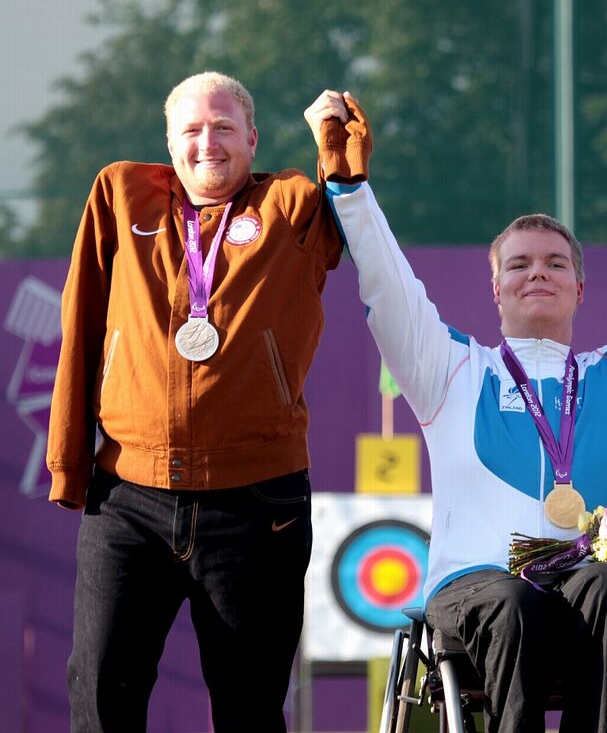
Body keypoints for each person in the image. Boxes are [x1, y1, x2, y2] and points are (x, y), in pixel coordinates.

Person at [303, 84, 607, 733]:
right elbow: (390, 287)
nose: (538, 273)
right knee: (512, 602)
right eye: (520, 264)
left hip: (586, 592)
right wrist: (350, 189)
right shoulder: (449, 369)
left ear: (580, 289)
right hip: (478, 595)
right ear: (494, 288)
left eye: (557, 264)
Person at [46, 71, 371, 732]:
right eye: (191, 130)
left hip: (258, 506)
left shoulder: (288, 205)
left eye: (224, 128)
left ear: (252, 138)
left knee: (249, 710)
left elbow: (352, 220)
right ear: (168, 143)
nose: (208, 143)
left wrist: (335, 142)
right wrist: (68, 461)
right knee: (99, 700)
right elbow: (80, 326)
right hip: (127, 499)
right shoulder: (118, 195)